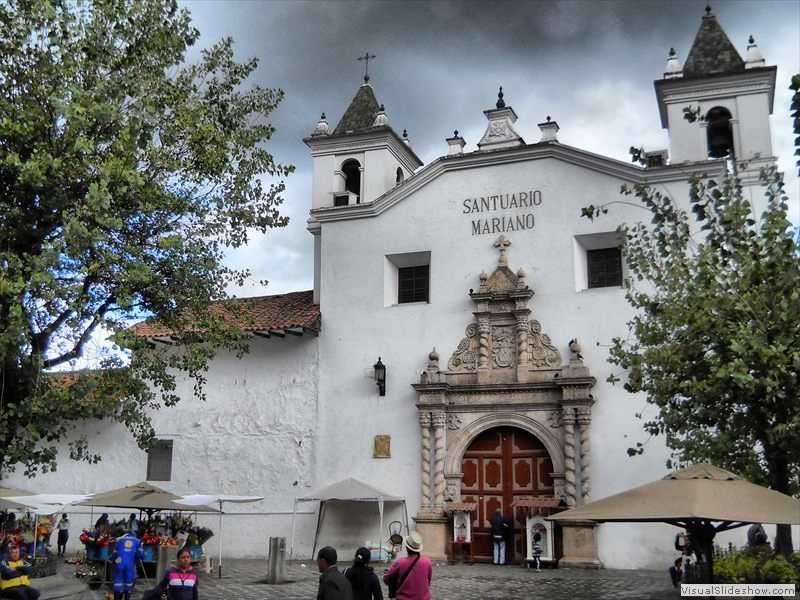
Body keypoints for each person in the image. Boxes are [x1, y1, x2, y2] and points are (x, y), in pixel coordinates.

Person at [383, 532, 431, 600]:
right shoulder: (427, 562)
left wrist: (386, 573)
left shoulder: (400, 562)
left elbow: (386, 580)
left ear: (407, 548)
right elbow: (428, 581)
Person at [111, 530, 143, 600]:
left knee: (118, 583)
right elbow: (140, 554)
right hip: (130, 565)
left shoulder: (118, 539)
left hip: (119, 564)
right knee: (128, 584)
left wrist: (113, 562)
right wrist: (136, 561)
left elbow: (114, 554)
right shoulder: (137, 541)